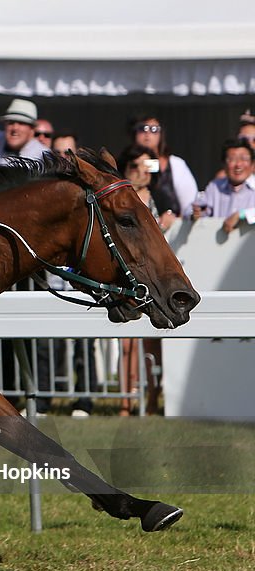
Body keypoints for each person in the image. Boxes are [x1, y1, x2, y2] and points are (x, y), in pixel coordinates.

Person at [117, 144, 165, 415]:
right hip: (129, 279)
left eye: (147, 166)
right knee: (127, 345)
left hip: (157, 280)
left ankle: (152, 399)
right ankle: (126, 402)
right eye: (134, 166)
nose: (141, 173)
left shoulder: (162, 196)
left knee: (152, 344)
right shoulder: (119, 202)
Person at [130, 114, 197, 226]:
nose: (147, 133)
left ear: (161, 135)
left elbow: (190, 206)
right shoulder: (123, 165)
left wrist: (174, 218)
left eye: (154, 129)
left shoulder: (176, 164)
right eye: (142, 128)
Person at [192, 140, 255, 233]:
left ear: (252, 164)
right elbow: (195, 208)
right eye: (232, 159)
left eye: (244, 159)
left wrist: (241, 215)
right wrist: (195, 213)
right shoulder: (215, 187)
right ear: (224, 165)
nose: (238, 165)